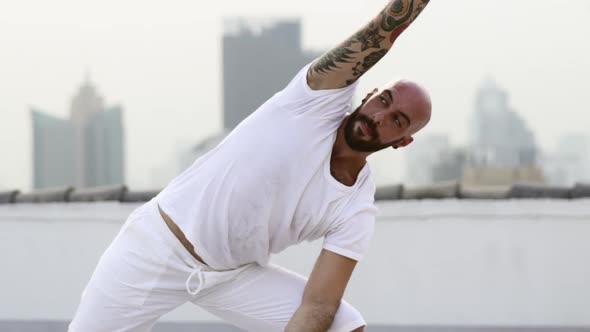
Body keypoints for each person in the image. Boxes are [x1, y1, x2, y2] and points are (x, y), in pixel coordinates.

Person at [69, 0, 432, 331]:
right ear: (368, 95)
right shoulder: (313, 103)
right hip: (155, 247)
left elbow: (319, 304)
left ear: (402, 141)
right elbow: (380, 32)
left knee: (344, 325)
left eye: (397, 121)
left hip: (231, 276)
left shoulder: (356, 209)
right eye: (383, 100)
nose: (380, 116)